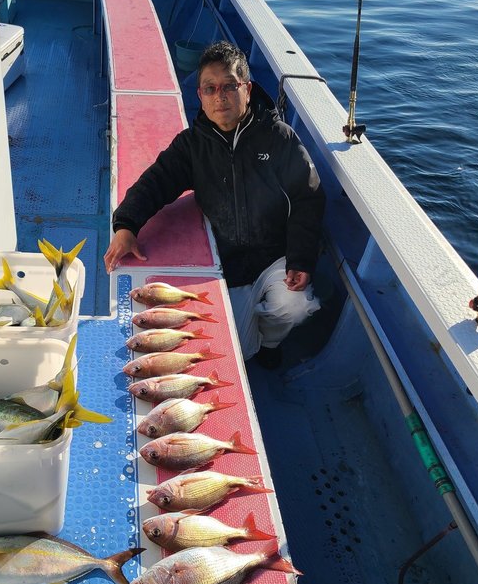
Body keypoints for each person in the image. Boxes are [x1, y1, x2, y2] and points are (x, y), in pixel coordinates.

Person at [104, 41, 325, 368]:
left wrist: (301, 259)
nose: (220, 96)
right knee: (236, 350)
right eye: (210, 88)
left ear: (247, 90)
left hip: (275, 255)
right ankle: (254, 342)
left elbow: (309, 198)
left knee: (293, 307)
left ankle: (272, 344)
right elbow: (156, 182)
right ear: (200, 96)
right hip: (227, 263)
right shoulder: (192, 146)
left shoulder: (279, 137)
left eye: (229, 86)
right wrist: (126, 225)